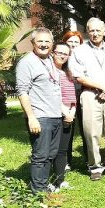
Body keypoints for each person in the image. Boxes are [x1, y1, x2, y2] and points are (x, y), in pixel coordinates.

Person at [69, 17, 105, 181]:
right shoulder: (79, 51)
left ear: (104, 31)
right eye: (91, 30)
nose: (95, 33)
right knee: (91, 132)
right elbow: (78, 77)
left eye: (98, 30)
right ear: (87, 32)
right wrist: (101, 87)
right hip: (90, 94)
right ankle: (95, 167)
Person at [16, 28, 62, 193]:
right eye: (40, 41)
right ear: (33, 43)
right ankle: (38, 190)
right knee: (41, 155)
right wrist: (31, 117)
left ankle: (42, 183)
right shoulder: (27, 62)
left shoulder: (51, 59)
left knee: (51, 154)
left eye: (47, 41)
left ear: (52, 44)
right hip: (40, 116)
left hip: (55, 115)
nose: (44, 44)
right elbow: (22, 91)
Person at [50, 43, 76, 192]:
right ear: (53, 52)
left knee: (62, 150)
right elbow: (52, 94)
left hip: (68, 115)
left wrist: (72, 111)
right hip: (54, 114)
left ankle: (60, 180)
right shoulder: (49, 71)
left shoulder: (68, 73)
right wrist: (64, 111)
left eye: (65, 54)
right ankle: (49, 181)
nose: (62, 56)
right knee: (51, 150)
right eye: (59, 52)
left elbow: (72, 96)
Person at [60, 31, 85, 167]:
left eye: (77, 42)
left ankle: (88, 158)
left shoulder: (83, 58)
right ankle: (66, 160)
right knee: (67, 128)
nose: (73, 44)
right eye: (70, 42)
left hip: (82, 94)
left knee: (85, 128)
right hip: (67, 98)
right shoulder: (62, 59)